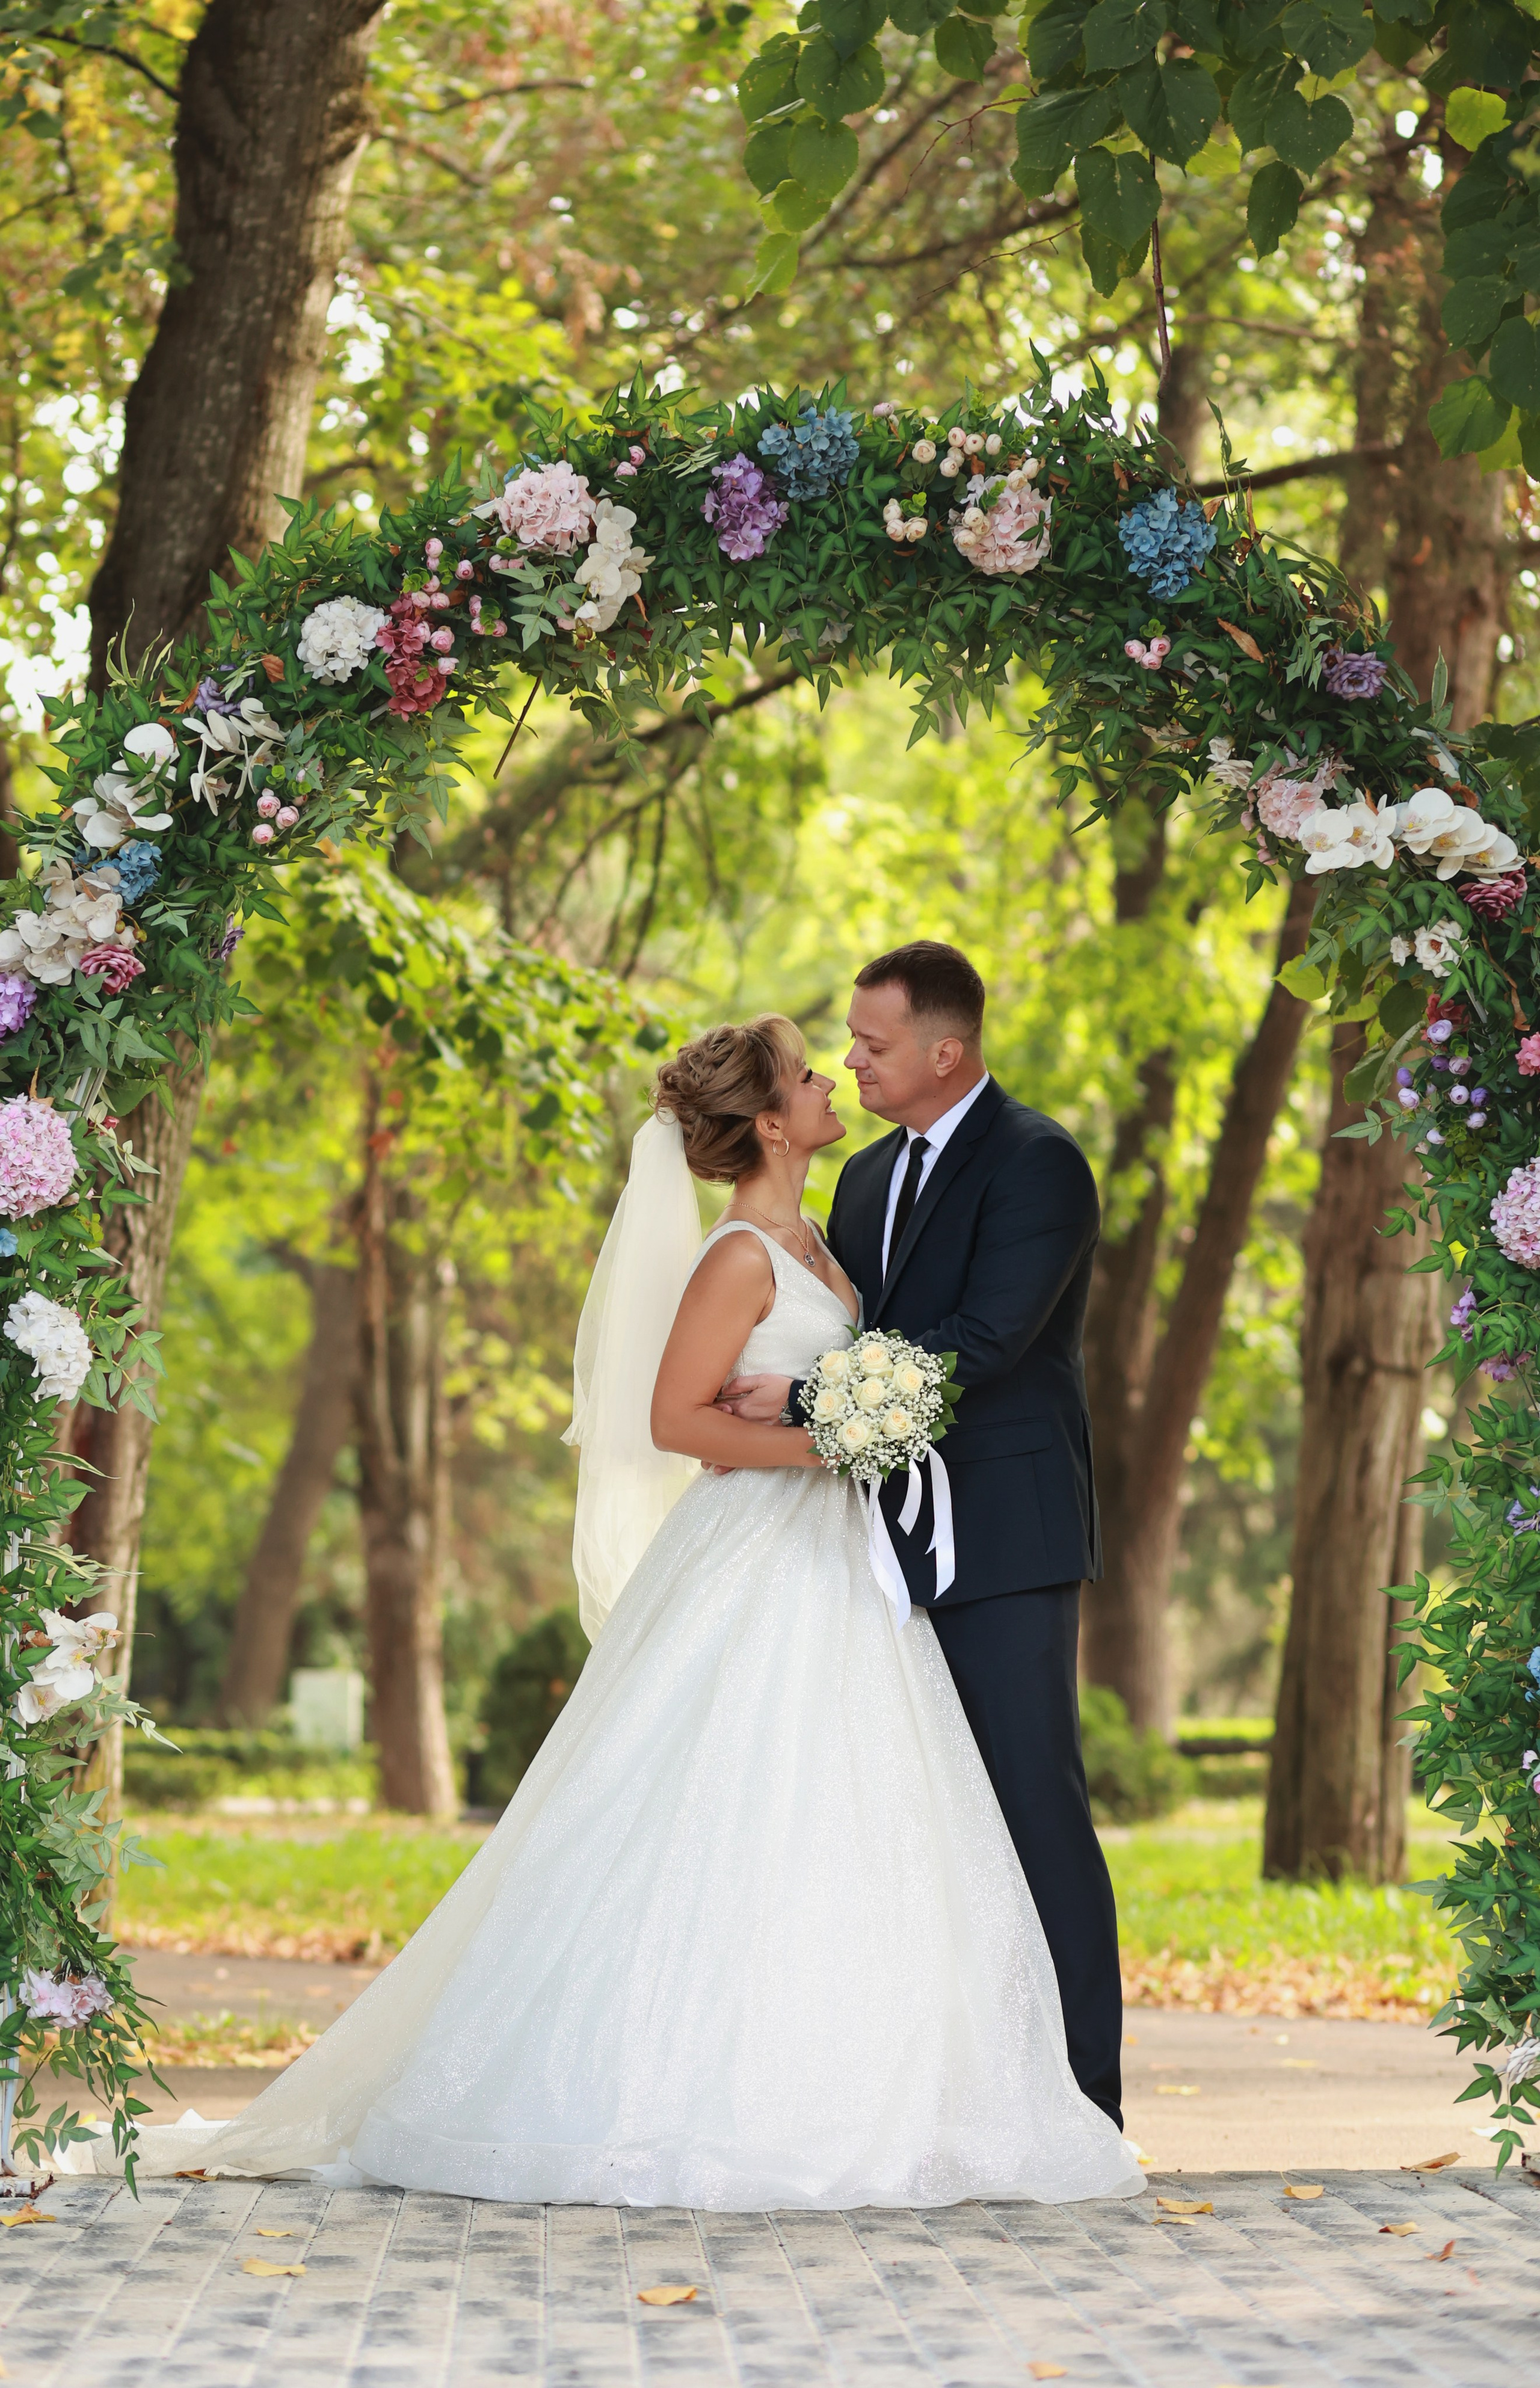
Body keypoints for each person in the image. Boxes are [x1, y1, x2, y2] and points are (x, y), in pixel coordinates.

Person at [76, 1013, 1139, 2210]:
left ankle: (869, 2073)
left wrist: (836, 1425)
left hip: (848, 1560)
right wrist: (826, 1441)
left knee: (858, 1809)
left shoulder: (826, 1232)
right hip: (763, 1550)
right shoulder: (736, 1253)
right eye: (806, 1071)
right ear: (767, 1120)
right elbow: (675, 1421)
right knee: (726, 1804)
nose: (830, 1076)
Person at [719, 945, 1124, 2129]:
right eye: (846, 1041)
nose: (850, 1059)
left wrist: (802, 1403)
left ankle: (1085, 2105)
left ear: (944, 1051)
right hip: (869, 1542)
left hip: (1002, 1537)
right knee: (917, 1821)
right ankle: (956, 2098)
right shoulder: (861, 1178)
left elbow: (983, 1342)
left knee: (1030, 1809)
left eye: (872, 1043)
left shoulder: (1037, 1164)